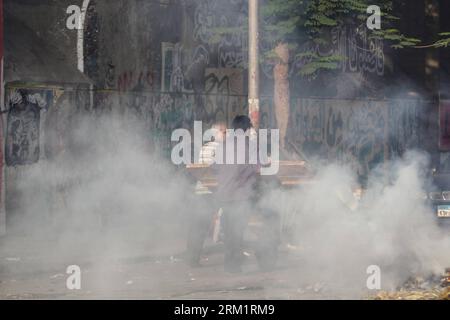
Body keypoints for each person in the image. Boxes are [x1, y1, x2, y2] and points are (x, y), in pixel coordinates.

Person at [213, 115, 260, 273]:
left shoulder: (222, 145)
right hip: (241, 195)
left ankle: (229, 265)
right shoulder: (250, 144)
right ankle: (235, 265)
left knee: (228, 230)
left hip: (225, 195)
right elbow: (258, 167)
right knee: (238, 230)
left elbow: (216, 168)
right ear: (247, 129)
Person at [186, 121, 226, 267]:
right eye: (224, 132)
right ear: (215, 134)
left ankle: (192, 259)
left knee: (198, 226)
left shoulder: (206, 148)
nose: (226, 135)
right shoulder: (218, 149)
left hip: (202, 191)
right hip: (211, 192)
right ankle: (234, 257)